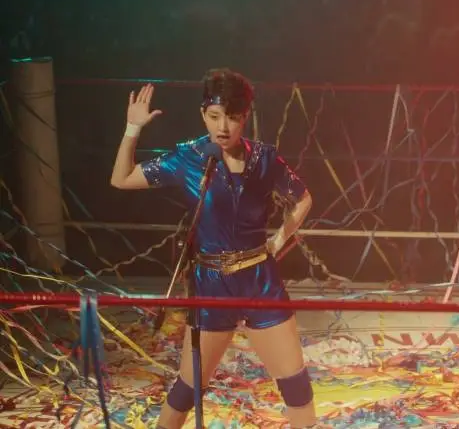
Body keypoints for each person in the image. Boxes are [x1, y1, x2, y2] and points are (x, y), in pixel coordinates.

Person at [110, 69, 319, 428]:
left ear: (245, 116)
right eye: (214, 116)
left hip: (260, 281)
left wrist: (277, 242)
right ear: (203, 114)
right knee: (187, 389)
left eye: (233, 117)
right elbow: (122, 178)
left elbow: (303, 199)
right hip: (210, 283)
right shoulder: (188, 158)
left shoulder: (265, 159)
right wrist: (132, 129)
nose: (223, 127)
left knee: (296, 386)